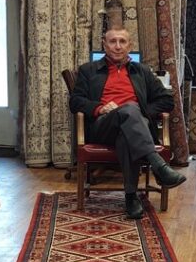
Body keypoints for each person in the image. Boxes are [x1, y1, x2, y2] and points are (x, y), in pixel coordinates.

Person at [69, 28, 186, 219]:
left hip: (133, 129)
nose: (117, 46)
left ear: (129, 46)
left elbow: (167, 100)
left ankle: (131, 198)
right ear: (104, 45)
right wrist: (100, 108)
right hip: (103, 126)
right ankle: (158, 166)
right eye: (112, 41)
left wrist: (140, 114)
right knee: (130, 110)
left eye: (122, 41)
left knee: (127, 128)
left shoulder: (143, 71)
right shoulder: (88, 70)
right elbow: (75, 102)